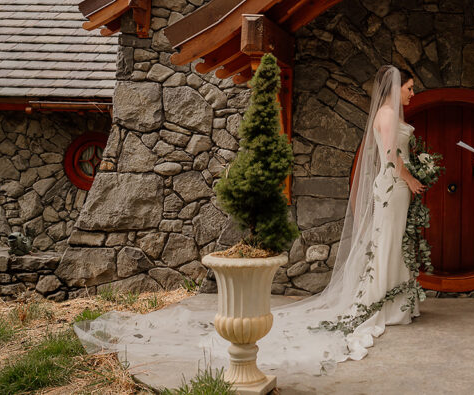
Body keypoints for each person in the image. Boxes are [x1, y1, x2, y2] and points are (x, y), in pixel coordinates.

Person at [75, 65, 426, 376]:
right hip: (393, 185)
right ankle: (384, 303)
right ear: (396, 88)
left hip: (397, 188)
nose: (413, 93)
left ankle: (396, 301)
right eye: (410, 88)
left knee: (394, 241)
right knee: (387, 242)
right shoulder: (385, 115)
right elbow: (391, 154)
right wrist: (410, 178)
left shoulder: (392, 114)